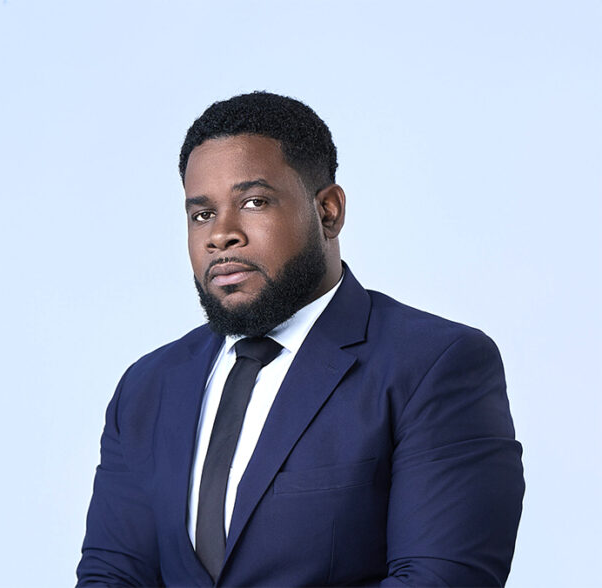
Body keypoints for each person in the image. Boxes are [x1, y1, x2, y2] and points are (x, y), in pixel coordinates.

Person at [76, 91, 524, 587]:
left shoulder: (434, 365)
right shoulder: (147, 388)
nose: (221, 235)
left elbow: (441, 580)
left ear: (328, 211)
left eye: (254, 202)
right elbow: (111, 577)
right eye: (202, 214)